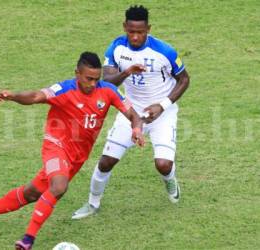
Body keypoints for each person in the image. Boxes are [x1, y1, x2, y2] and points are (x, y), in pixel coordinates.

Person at [0, 52, 144, 250]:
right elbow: (37, 96)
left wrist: (137, 129)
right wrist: (13, 96)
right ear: (77, 74)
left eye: (96, 79)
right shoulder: (63, 89)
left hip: (77, 157)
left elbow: (133, 114)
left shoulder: (108, 90)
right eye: (88, 79)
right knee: (59, 186)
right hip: (55, 147)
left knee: (33, 193)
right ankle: (27, 240)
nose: (92, 84)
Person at [72, 5, 190, 219]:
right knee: (106, 161)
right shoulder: (117, 48)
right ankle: (92, 203)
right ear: (125, 27)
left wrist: (162, 105)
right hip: (130, 113)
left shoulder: (165, 51)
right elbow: (106, 81)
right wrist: (127, 72)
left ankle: (170, 180)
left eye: (141, 32)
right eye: (131, 31)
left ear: (149, 29)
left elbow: (184, 79)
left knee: (163, 165)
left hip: (162, 114)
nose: (135, 37)